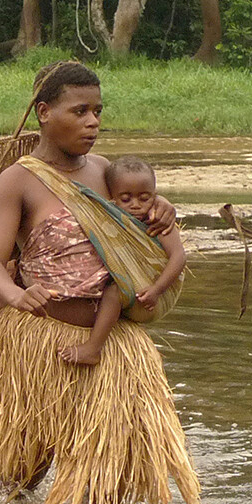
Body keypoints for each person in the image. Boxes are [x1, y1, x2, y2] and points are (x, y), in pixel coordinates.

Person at [0, 61, 196, 504]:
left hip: (111, 345)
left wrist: (162, 208)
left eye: (97, 111)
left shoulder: (105, 171)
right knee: (18, 485)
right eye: (80, 111)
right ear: (44, 112)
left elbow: (138, 209)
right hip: (41, 345)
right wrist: (15, 296)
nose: (93, 122)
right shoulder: (18, 180)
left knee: (105, 497)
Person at [61, 156, 186, 366]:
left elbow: (179, 257)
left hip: (153, 291)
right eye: (126, 199)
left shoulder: (157, 221)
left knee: (113, 292)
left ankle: (93, 348)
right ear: (111, 198)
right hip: (133, 285)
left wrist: (157, 289)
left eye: (144, 198)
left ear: (155, 196)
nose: (136, 205)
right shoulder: (111, 216)